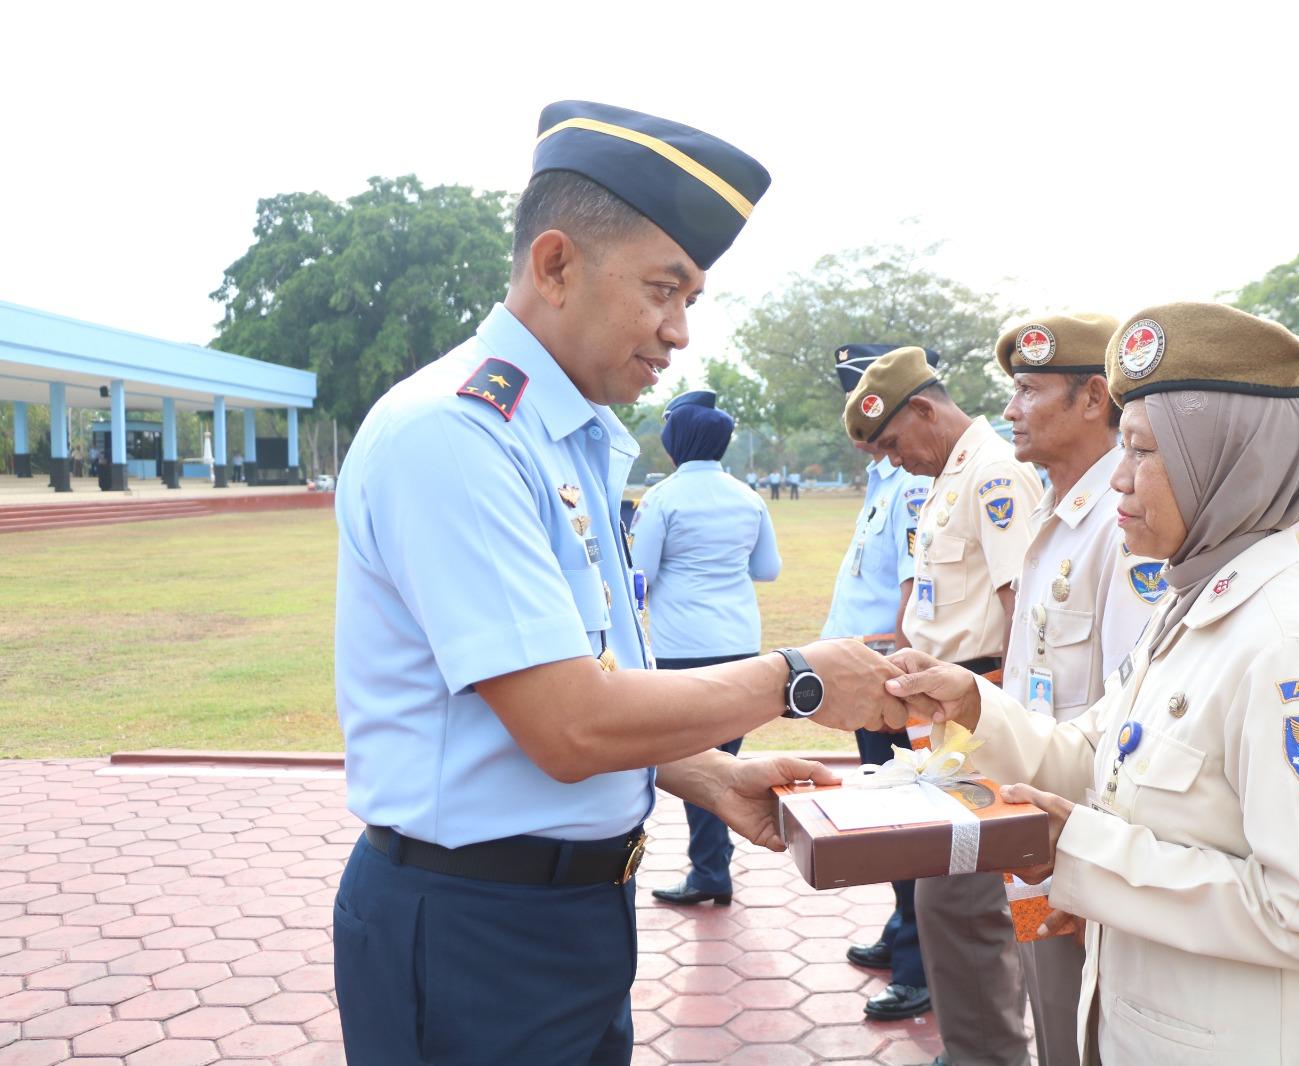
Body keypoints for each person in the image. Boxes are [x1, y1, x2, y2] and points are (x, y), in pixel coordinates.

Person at [330, 100, 905, 1066]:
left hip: (569, 918)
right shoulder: (457, 435)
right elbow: (567, 724)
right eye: (661, 291)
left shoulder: (568, 435)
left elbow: (551, 690)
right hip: (477, 931)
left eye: (691, 301)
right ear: (555, 266)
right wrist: (799, 679)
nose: (678, 332)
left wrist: (706, 772)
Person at [888, 302, 1299, 1065]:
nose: (1118, 478)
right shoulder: (1197, 603)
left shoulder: (1285, 645)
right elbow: (1096, 751)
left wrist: (1078, 853)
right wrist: (973, 707)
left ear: (1229, 462)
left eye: (1144, 452)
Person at [844, 344, 1045, 1066]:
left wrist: (1007, 729)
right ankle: (973, 1048)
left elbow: (1025, 616)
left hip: (983, 711)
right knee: (952, 902)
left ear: (924, 410)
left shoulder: (993, 473)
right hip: (951, 713)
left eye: (896, 443)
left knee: (963, 903)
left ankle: (986, 1053)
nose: (895, 461)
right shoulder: (953, 474)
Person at [994, 313, 1164, 1065]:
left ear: (1094, 398)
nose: (1010, 409)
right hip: (1034, 831)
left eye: (1029, 389)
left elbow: (1135, 711)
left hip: (1080, 840)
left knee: (1080, 1028)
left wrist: (1086, 863)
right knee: (1047, 1008)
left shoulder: (1120, 526)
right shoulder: (1057, 512)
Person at [629, 389, 781, 908]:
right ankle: (711, 867)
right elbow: (767, 569)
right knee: (723, 759)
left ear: (675, 441)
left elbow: (639, 574)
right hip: (741, 643)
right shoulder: (748, 496)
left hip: (681, 646)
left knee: (698, 763)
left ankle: (710, 870)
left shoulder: (662, 499)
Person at [824, 342, 937, 1021]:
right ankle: (903, 936)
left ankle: (921, 965)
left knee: (911, 824)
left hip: (887, 678)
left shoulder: (915, 479)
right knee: (891, 820)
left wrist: (890, 673)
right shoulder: (885, 478)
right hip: (867, 673)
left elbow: (914, 584)